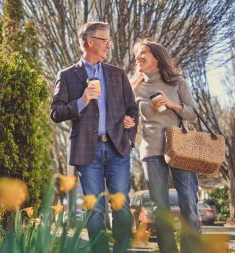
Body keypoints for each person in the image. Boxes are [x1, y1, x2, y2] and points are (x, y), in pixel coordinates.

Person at [50, 21, 138, 253]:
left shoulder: (117, 74)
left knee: (122, 205)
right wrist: (83, 100)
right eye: (104, 39)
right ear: (90, 41)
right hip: (87, 152)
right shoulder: (67, 75)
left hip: (118, 148)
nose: (109, 44)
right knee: (95, 208)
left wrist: (129, 134)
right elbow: (56, 112)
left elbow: (132, 109)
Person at [125, 38, 200, 253]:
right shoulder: (134, 87)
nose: (138, 57)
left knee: (189, 204)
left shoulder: (177, 82)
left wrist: (171, 103)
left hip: (180, 147)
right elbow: (129, 115)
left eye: (143, 52)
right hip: (151, 149)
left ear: (157, 57)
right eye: (136, 54)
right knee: (160, 208)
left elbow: (193, 114)